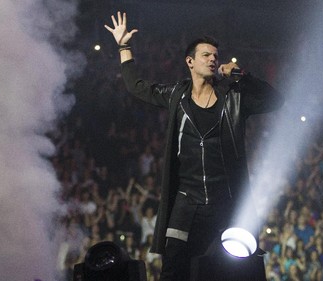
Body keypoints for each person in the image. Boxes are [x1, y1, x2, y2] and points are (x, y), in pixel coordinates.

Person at [104, 11, 284, 281]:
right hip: (186, 203)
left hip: (226, 202)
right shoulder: (176, 95)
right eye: (206, 55)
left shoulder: (233, 97)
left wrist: (241, 75)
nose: (213, 59)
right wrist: (124, 47)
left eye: (215, 56)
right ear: (190, 61)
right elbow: (136, 86)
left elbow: (276, 100)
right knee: (174, 270)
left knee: (234, 271)